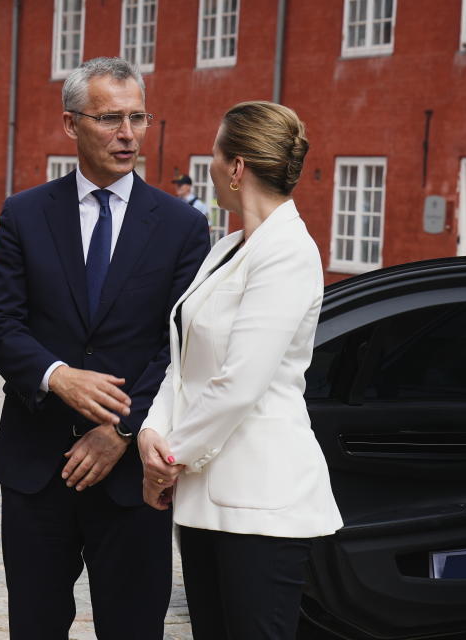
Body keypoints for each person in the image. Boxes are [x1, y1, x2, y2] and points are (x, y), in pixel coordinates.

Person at [0, 57, 210, 639]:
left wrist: (121, 430)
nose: (127, 134)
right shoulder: (25, 214)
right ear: (70, 123)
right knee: (33, 626)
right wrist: (58, 376)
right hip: (36, 467)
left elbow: (181, 347)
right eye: (110, 119)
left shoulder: (182, 226)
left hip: (134, 479)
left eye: (138, 117)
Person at [137, 101, 343, 640]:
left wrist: (169, 459)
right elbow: (182, 358)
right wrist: (151, 432)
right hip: (204, 499)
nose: (208, 162)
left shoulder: (290, 252)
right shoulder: (228, 247)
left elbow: (240, 383)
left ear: (236, 166)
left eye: (213, 151)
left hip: (262, 504)